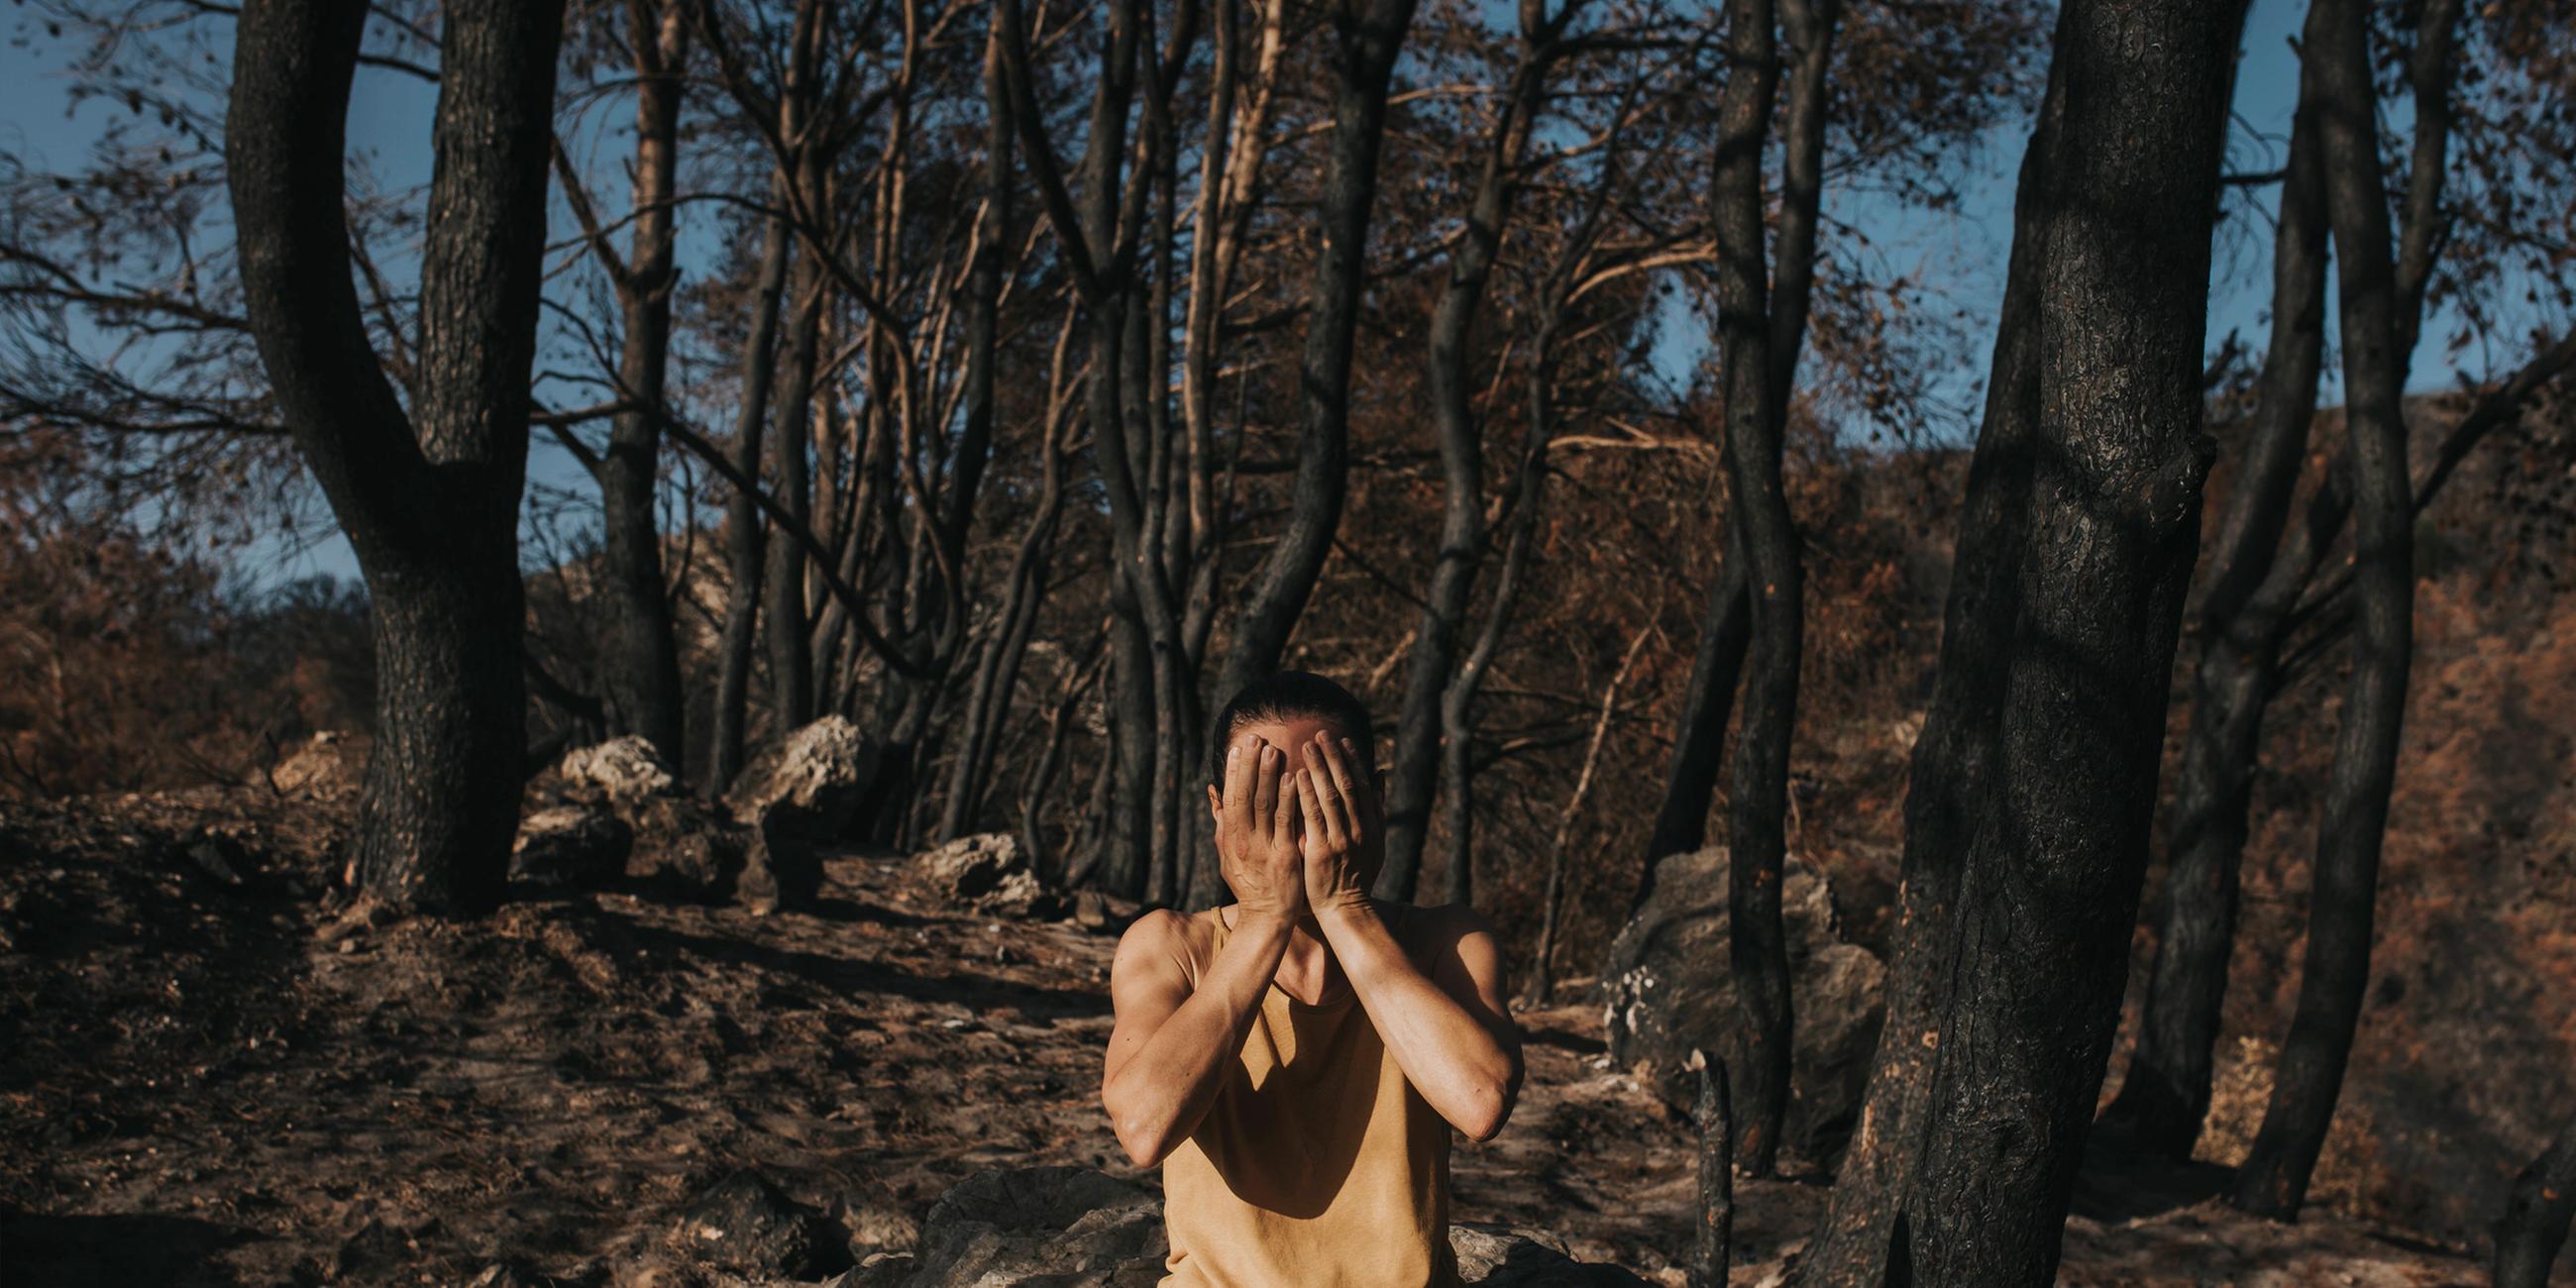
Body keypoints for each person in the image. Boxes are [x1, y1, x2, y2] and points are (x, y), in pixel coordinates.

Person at [1099, 671, 1524, 1288]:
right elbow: (1142, 1129)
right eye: (1266, 805)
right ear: (1220, 810)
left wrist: (1347, 910)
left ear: (1374, 800)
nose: (1296, 835)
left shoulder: (1447, 943)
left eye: (1322, 802)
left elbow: (1480, 1104)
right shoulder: (1173, 946)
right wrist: (1266, 918)